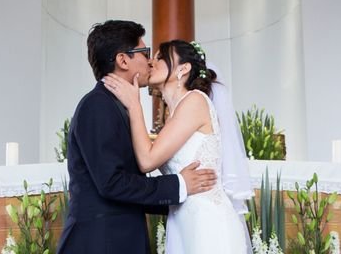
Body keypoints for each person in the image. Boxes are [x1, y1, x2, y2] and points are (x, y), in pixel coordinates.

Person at [57, 21, 217, 254]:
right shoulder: (97, 105)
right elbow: (112, 183)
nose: (150, 61)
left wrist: (188, 196)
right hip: (101, 242)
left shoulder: (118, 105)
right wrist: (179, 185)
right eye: (144, 52)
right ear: (123, 60)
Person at [103, 39, 252, 253]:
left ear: (184, 68)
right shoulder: (173, 114)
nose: (151, 62)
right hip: (182, 222)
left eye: (161, 57)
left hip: (208, 224)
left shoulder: (195, 101)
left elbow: (147, 160)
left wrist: (134, 104)